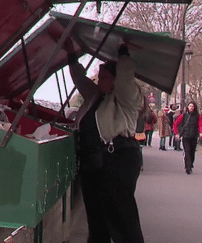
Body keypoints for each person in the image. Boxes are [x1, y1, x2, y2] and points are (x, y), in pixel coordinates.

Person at [65, 41, 144, 243]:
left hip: (117, 160)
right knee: (97, 219)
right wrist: (71, 57)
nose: (100, 81)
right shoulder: (96, 96)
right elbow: (80, 80)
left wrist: (123, 53)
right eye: (99, 77)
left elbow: (126, 77)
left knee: (121, 219)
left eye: (105, 78)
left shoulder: (125, 99)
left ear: (116, 81)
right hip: (96, 164)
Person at [173, 101, 202, 174]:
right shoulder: (183, 115)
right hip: (186, 136)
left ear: (194, 108)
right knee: (187, 151)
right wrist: (176, 133)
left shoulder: (197, 116)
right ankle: (187, 166)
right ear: (187, 107)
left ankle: (190, 164)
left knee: (192, 151)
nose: (191, 107)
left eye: (192, 106)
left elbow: (201, 125)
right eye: (190, 106)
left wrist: (201, 133)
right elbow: (176, 124)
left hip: (194, 136)